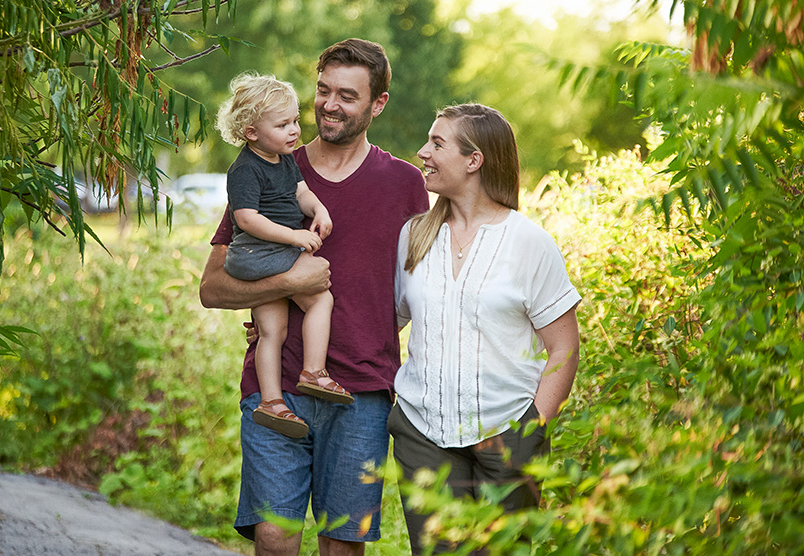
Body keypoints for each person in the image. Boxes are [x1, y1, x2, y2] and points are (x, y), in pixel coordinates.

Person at [199, 39, 428, 555]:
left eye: (347, 95)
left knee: (342, 546)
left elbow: (426, 287)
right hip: (275, 387)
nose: (329, 104)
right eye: (323, 90)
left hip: (363, 393)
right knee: (275, 536)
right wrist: (286, 285)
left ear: (378, 104)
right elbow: (213, 287)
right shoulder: (269, 167)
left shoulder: (404, 185)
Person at [389, 103, 582, 555]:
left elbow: (564, 347)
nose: (423, 152)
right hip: (423, 431)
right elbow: (385, 323)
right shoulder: (414, 235)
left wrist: (533, 425)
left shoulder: (528, 242)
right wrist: (283, 327)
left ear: (474, 160)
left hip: (507, 435)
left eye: (437, 143)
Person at [215, 73, 352, 440]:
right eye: (282, 125)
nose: (294, 131)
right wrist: (294, 235)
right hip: (256, 253)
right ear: (250, 132)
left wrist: (319, 209)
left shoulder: (283, 158)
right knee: (321, 297)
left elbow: (302, 192)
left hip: (267, 255)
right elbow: (245, 218)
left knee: (272, 331)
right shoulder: (245, 169)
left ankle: (272, 402)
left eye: (294, 121)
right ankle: (313, 370)